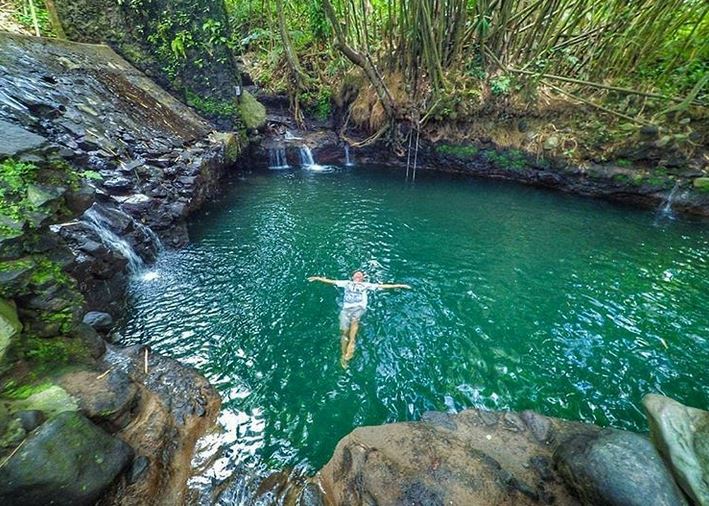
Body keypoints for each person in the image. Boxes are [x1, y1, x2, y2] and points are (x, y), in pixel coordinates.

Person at [308, 271, 411, 367]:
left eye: (360, 275)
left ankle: (352, 341)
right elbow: (331, 281)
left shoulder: (366, 285)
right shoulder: (346, 283)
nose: (358, 276)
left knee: (354, 323)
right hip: (346, 309)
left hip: (358, 308)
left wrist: (400, 285)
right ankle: (343, 355)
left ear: (362, 278)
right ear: (352, 277)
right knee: (343, 332)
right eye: (356, 275)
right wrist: (317, 278)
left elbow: (383, 286)